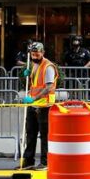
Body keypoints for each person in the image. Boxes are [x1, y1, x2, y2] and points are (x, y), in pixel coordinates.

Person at [20, 42, 58, 170]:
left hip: (45, 105)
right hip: (34, 105)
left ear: (43, 53)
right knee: (30, 133)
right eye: (32, 54)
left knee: (44, 135)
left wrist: (34, 98)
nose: (35, 56)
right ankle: (28, 161)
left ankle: (45, 162)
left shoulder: (48, 67)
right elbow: (34, 84)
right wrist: (27, 73)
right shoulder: (34, 65)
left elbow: (48, 87)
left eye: (37, 54)